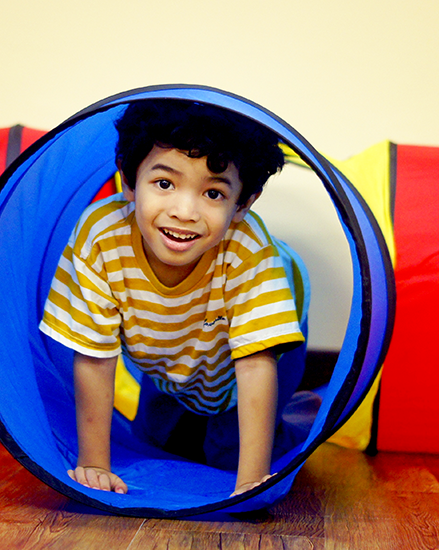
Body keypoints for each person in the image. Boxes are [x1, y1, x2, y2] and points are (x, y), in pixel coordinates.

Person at [39, 99, 310, 497]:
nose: (184, 211)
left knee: (227, 453)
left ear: (243, 202)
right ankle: (179, 408)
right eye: (164, 184)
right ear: (129, 183)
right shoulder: (101, 237)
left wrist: (251, 482)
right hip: (168, 347)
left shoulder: (248, 250)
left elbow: (255, 365)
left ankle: (304, 412)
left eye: (214, 193)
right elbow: (95, 357)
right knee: (154, 441)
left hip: (266, 341)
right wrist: (94, 465)